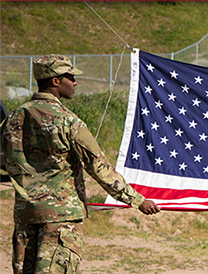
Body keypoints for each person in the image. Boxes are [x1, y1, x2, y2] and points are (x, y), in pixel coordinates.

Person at [0, 54, 162, 274]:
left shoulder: (13, 120)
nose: (75, 82)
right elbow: (100, 169)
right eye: (71, 77)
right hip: (60, 224)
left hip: (25, 220)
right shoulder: (69, 122)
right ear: (55, 81)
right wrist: (137, 200)